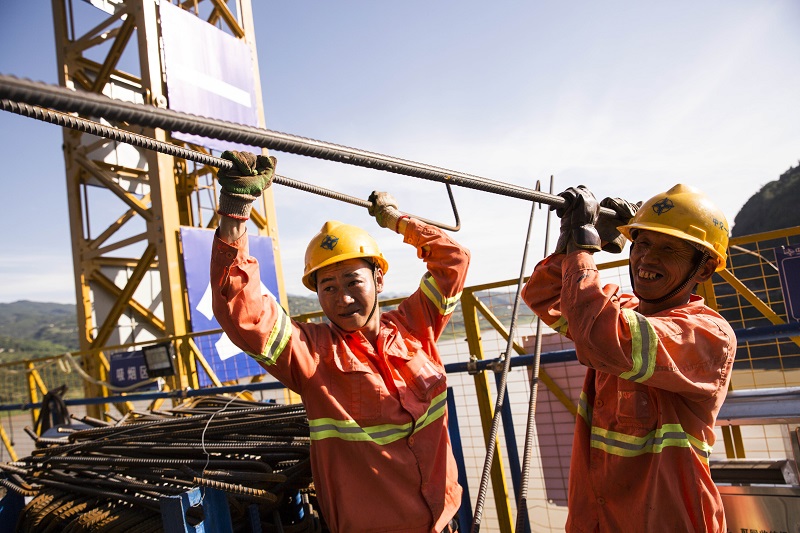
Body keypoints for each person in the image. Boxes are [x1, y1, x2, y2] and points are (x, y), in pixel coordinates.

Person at [209, 151, 470, 533]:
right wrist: (235, 213)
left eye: (353, 281)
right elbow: (243, 313)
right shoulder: (311, 354)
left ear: (378, 280)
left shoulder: (416, 326)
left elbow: (453, 260)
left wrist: (394, 219)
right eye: (328, 287)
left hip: (446, 523)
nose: (343, 298)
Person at [522, 184, 736, 532]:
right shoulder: (622, 313)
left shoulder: (707, 335)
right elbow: (543, 295)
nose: (647, 258)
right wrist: (580, 243)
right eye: (643, 243)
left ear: (705, 269)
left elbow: (602, 336)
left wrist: (582, 245)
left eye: (669, 249)